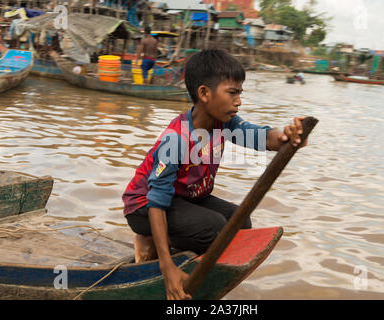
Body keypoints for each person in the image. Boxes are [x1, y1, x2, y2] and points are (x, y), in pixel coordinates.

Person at [122, 49, 308, 300]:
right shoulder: (176, 139)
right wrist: (167, 269)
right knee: (214, 228)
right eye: (232, 93)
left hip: (185, 198)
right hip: (145, 207)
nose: (238, 101)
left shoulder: (226, 124)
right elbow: (157, 202)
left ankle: (181, 248)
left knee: (241, 224)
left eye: (239, 93)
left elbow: (263, 137)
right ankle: (149, 240)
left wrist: (288, 136)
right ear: (204, 93)